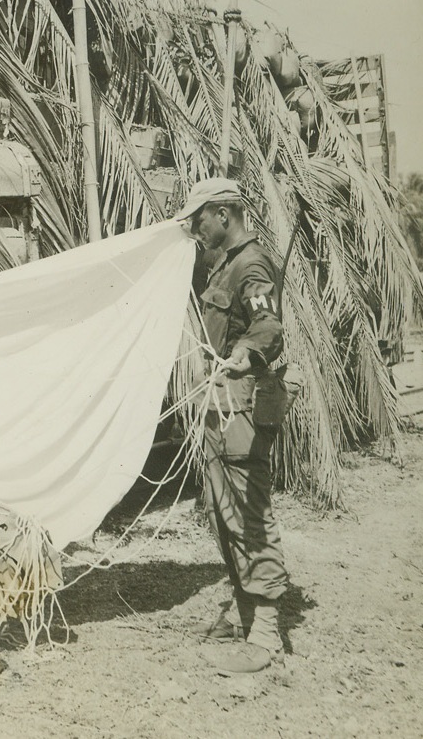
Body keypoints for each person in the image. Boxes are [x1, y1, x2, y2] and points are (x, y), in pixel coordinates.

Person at [176, 177, 290, 675]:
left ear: (224, 214)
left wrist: (245, 354)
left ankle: (266, 637)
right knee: (226, 518)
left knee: (249, 516)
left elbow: (268, 324)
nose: (195, 226)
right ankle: (249, 617)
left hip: (243, 408)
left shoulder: (250, 263)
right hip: (223, 410)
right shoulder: (217, 267)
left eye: (200, 217)